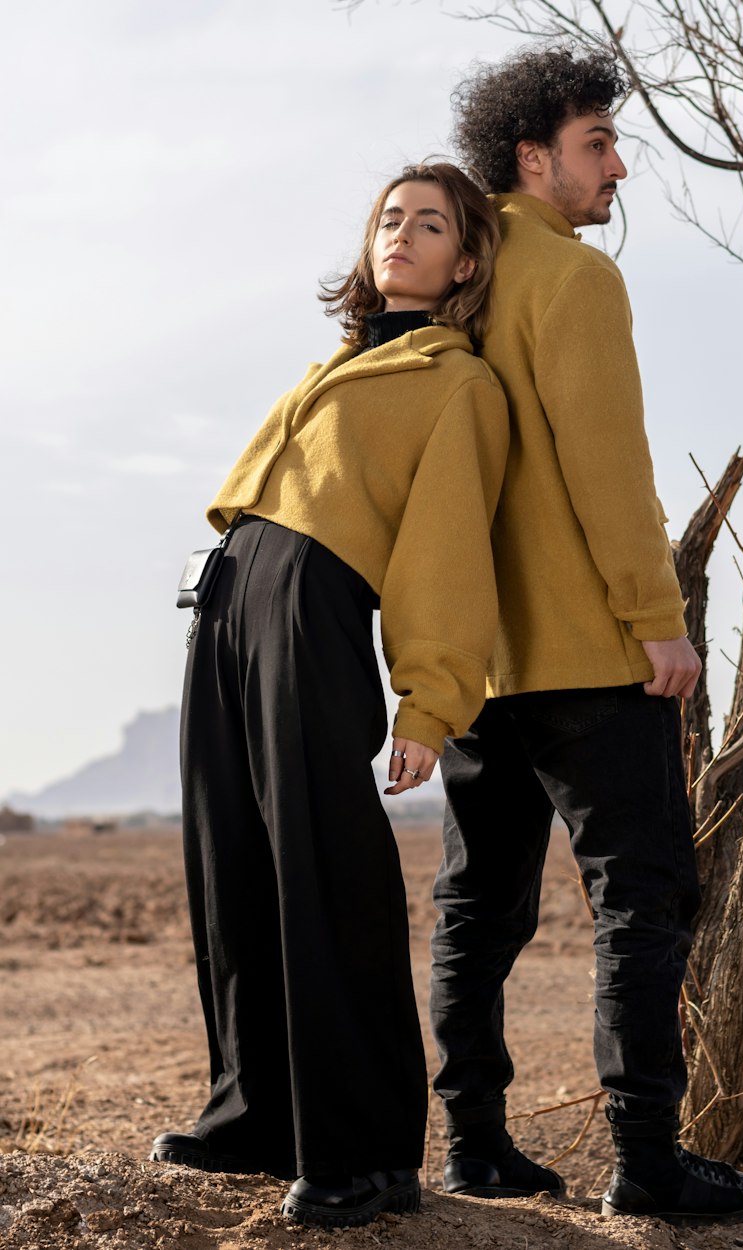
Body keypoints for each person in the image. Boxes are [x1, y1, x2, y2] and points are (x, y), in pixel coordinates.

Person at [428, 46, 743, 1228]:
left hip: (478, 662)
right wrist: (657, 622)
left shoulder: (459, 278)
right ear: (533, 157)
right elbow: (608, 470)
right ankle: (647, 1160)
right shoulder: (573, 281)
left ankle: (472, 1145)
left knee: (479, 905)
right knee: (642, 897)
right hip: (586, 655)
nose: (618, 165)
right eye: (597, 143)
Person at [150, 163, 508, 1232]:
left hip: (314, 610)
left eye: (430, 222)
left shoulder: (458, 382)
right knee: (233, 870)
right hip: (225, 602)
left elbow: (447, 552)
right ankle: (255, 1114)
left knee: (323, 872)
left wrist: (429, 702)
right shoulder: (335, 363)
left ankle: (365, 1152)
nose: (401, 233)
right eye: (389, 218)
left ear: (466, 261)